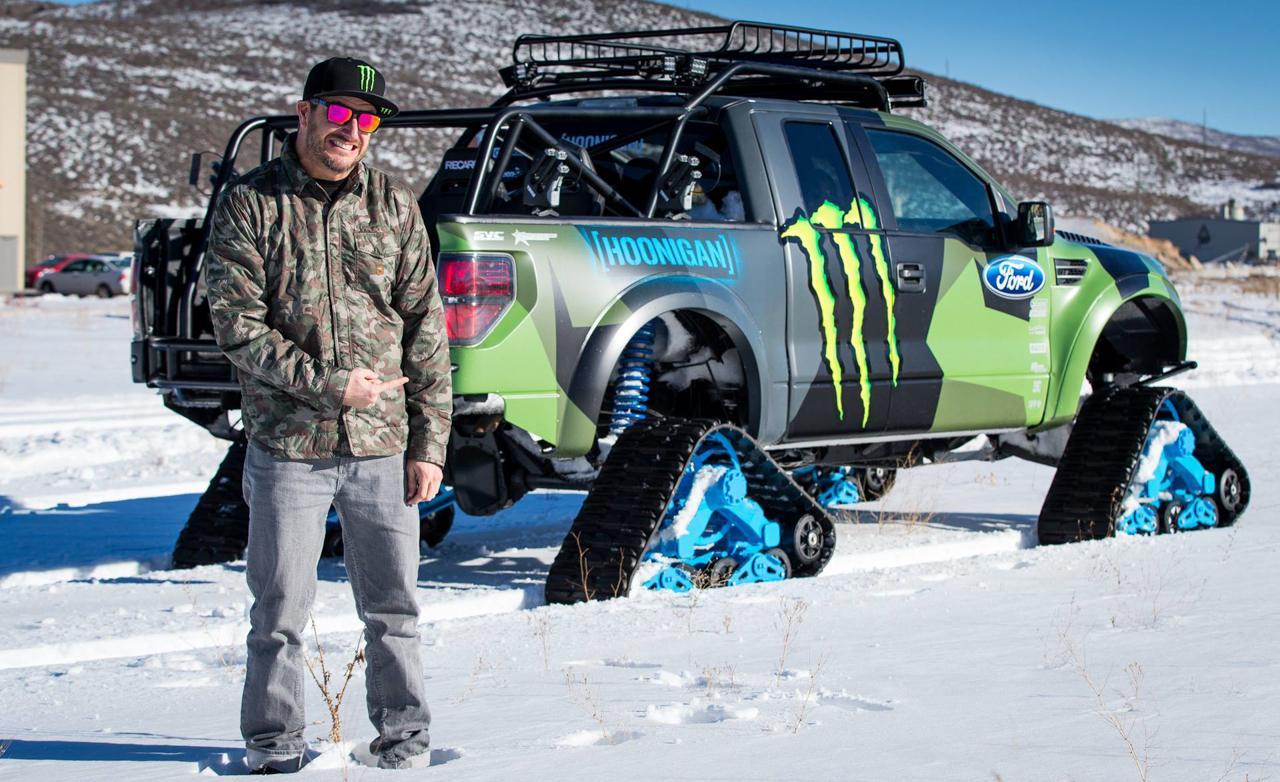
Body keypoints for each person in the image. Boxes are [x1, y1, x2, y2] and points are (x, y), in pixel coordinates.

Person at [204, 57, 451, 774]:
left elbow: (425, 329)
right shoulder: (250, 204)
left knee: (394, 612)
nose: (353, 130)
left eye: (366, 119)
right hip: (290, 448)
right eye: (339, 113)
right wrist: (329, 385)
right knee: (279, 615)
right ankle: (275, 748)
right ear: (305, 113)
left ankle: (406, 747)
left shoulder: (393, 205)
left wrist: (429, 443)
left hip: (384, 447)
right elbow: (237, 326)